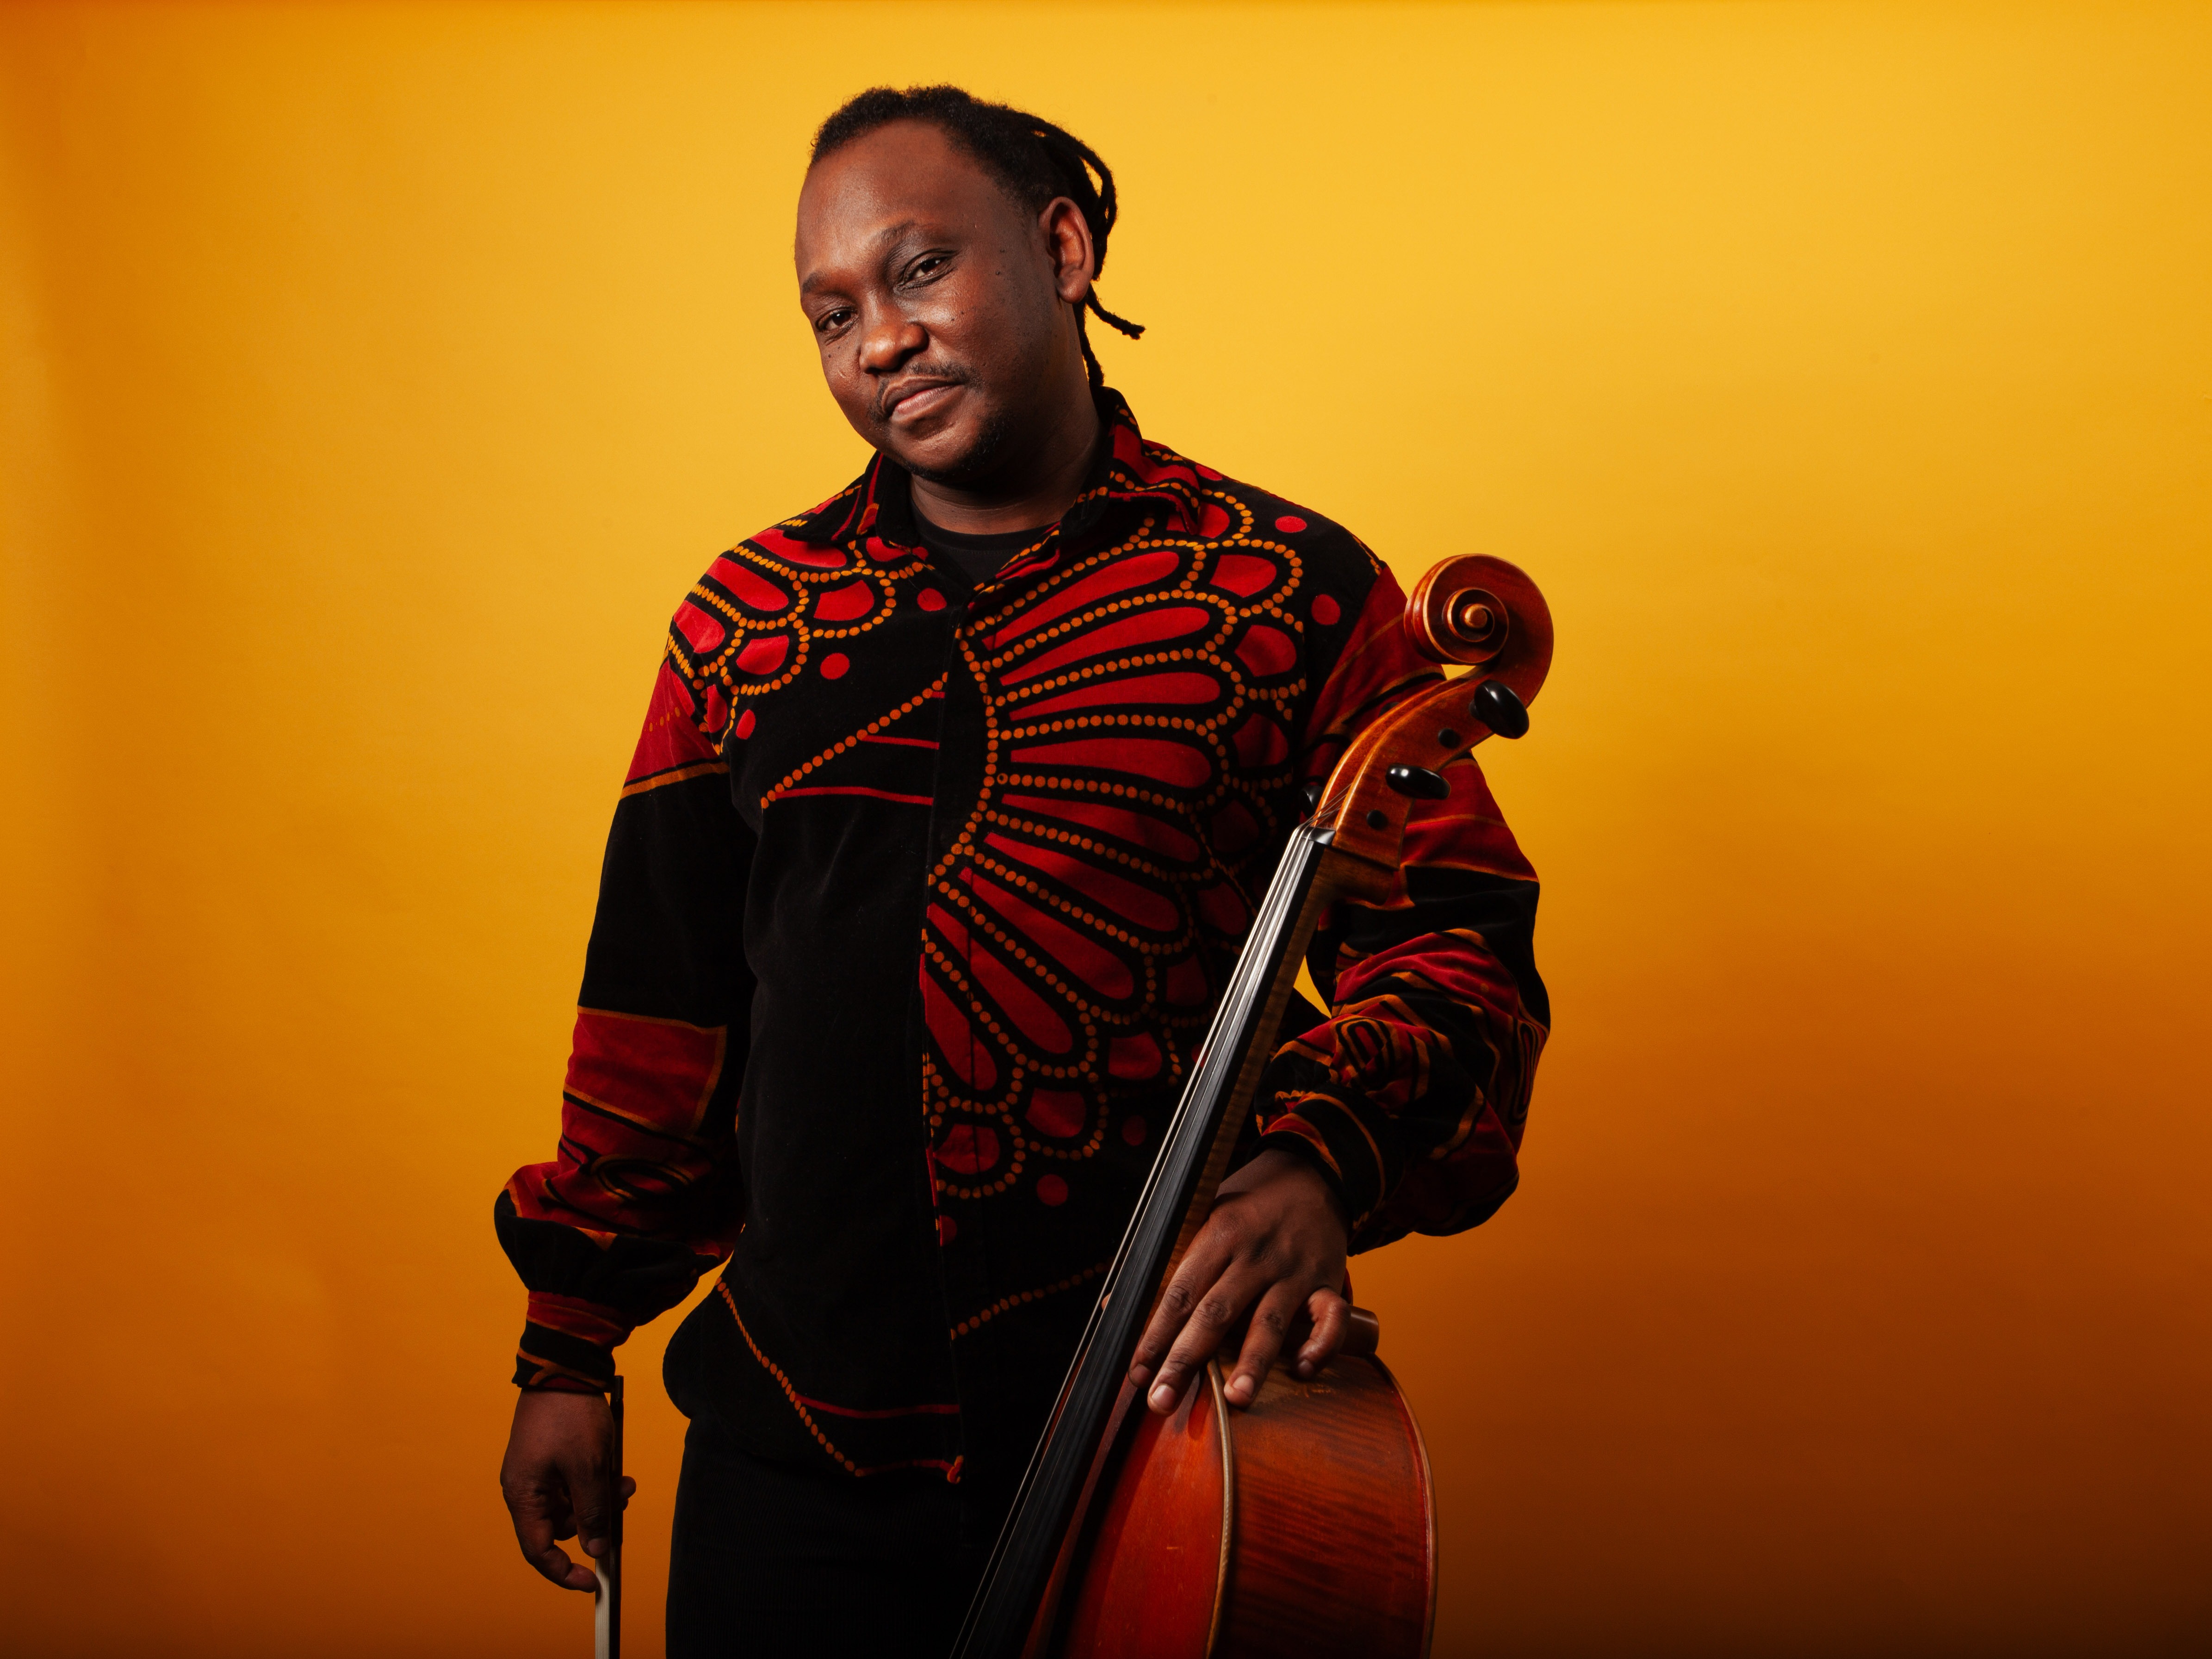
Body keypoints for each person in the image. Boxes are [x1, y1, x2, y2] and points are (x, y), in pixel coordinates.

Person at [495, 84, 1549, 1658]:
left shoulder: (1293, 591)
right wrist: (568, 1349)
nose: (880, 339)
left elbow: (1464, 953)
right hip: (795, 1460)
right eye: (832, 312)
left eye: (921, 270)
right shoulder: (746, 623)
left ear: (1062, 249)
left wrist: (1320, 1159)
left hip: (1163, 1450)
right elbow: (659, 1023)